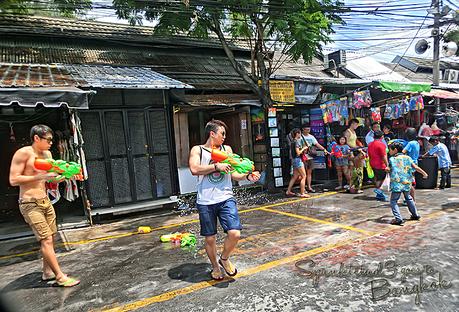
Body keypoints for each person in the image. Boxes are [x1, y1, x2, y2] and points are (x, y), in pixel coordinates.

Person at [9, 125, 80, 287]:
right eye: (48, 140)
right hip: (29, 203)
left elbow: (49, 179)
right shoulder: (23, 153)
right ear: (36, 138)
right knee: (46, 239)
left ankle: (47, 272)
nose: (51, 143)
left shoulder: (47, 154)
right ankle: (60, 276)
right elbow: (13, 180)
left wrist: (63, 177)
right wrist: (41, 175)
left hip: (45, 201)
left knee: (51, 237)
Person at [189, 119, 260, 281]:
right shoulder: (198, 150)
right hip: (206, 201)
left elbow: (233, 174)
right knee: (210, 238)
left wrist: (248, 176)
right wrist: (216, 166)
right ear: (212, 134)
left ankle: (225, 258)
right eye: (222, 133)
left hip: (226, 197)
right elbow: (194, 169)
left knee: (235, 233)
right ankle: (215, 266)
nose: (224, 137)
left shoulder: (226, 149)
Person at [386, 142, 428, 225]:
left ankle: (398, 218)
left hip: (397, 183)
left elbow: (388, 169)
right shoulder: (408, 158)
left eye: (390, 150)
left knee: (394, 201)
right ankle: (415, 215)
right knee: (408, 198)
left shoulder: (392, 159)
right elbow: (415, 167)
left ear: (395, 150)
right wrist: (424, 173)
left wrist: (387, 169)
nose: (389, 151)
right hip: (407, 182)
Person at [299, 124, 329, 193]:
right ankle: (303, 188)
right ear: (303, 129)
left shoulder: (311, 137)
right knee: (303, 173)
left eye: (309, 129)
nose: (308, 131)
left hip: (310, 156)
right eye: (307, 129)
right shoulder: (300, 137)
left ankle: (309, 186)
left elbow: (317, 144)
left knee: (309, 172)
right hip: (302, 156)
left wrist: (324, 149)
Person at [286, 129, 309, 198]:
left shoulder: (292, 141)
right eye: (300, 133)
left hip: (293, 160)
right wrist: (303, 148)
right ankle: (302, 193)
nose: (300, 135)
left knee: (295, 176)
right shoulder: (297, 142)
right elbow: (298, 153)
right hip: (297, 160)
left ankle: (288, 191)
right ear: (297, 134)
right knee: (304, 176)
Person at [367, 130, 389, 201]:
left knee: (378, 178)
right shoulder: (381, 144)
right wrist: (387, 165)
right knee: (381, 179)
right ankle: (378, 191)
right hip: (380, 164)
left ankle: (379, 194)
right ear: (382, 137)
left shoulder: (370, 144)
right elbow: (384, 156)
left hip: (372, 163)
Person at [402, 127, 420, 201]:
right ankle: (409, 198)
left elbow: (403, 151)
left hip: (409, 164)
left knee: (409, 183)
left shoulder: (410, 143)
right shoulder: (416, 143)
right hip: (415, 163)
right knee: (411, 181)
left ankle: (411, 199)